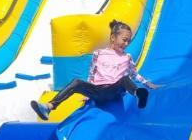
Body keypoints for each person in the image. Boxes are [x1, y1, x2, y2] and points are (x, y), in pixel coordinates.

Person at [30, 20, 158, 120]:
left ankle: (139, 94)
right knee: (76, 82)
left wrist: (147, 83)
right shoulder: (98, 53)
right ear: (113, 37)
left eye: (129, 41)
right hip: (97, 91)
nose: (126, 44)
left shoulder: (127, 57)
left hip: (114, 90)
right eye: (124, 40)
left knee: (124, 79)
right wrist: (87, 94)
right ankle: (48, 107)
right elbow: (92, 74)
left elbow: (134, 74)